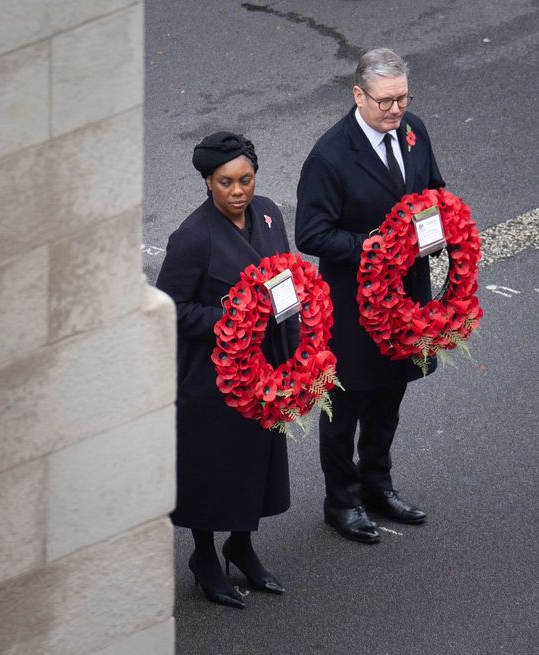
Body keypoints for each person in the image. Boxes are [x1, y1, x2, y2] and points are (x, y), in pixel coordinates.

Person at [295, 48, 445, 544]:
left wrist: (437, 227)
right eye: (385, 101)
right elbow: (312, 235)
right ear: (359, 95)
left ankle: (377, 484)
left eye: (402, 97)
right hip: (354, 307)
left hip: (408, 299)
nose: (396, 109)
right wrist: (375, 247)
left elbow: (435, 191)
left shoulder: (414, 130)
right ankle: (341, 501)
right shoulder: (330, 156)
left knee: (390, 395)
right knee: (346, 406)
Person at [156, 132, 298, 609]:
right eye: (226, 182)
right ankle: (203, 556)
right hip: (211, 379)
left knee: (253, 463)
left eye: (246, 180)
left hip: (265, 370)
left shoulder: (270, 213)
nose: (238, 191)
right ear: (208, 183)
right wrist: (235, 317)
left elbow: (287, 273)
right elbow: (169, 309)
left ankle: (241, 544)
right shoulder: (193, 237)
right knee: (211, 471)